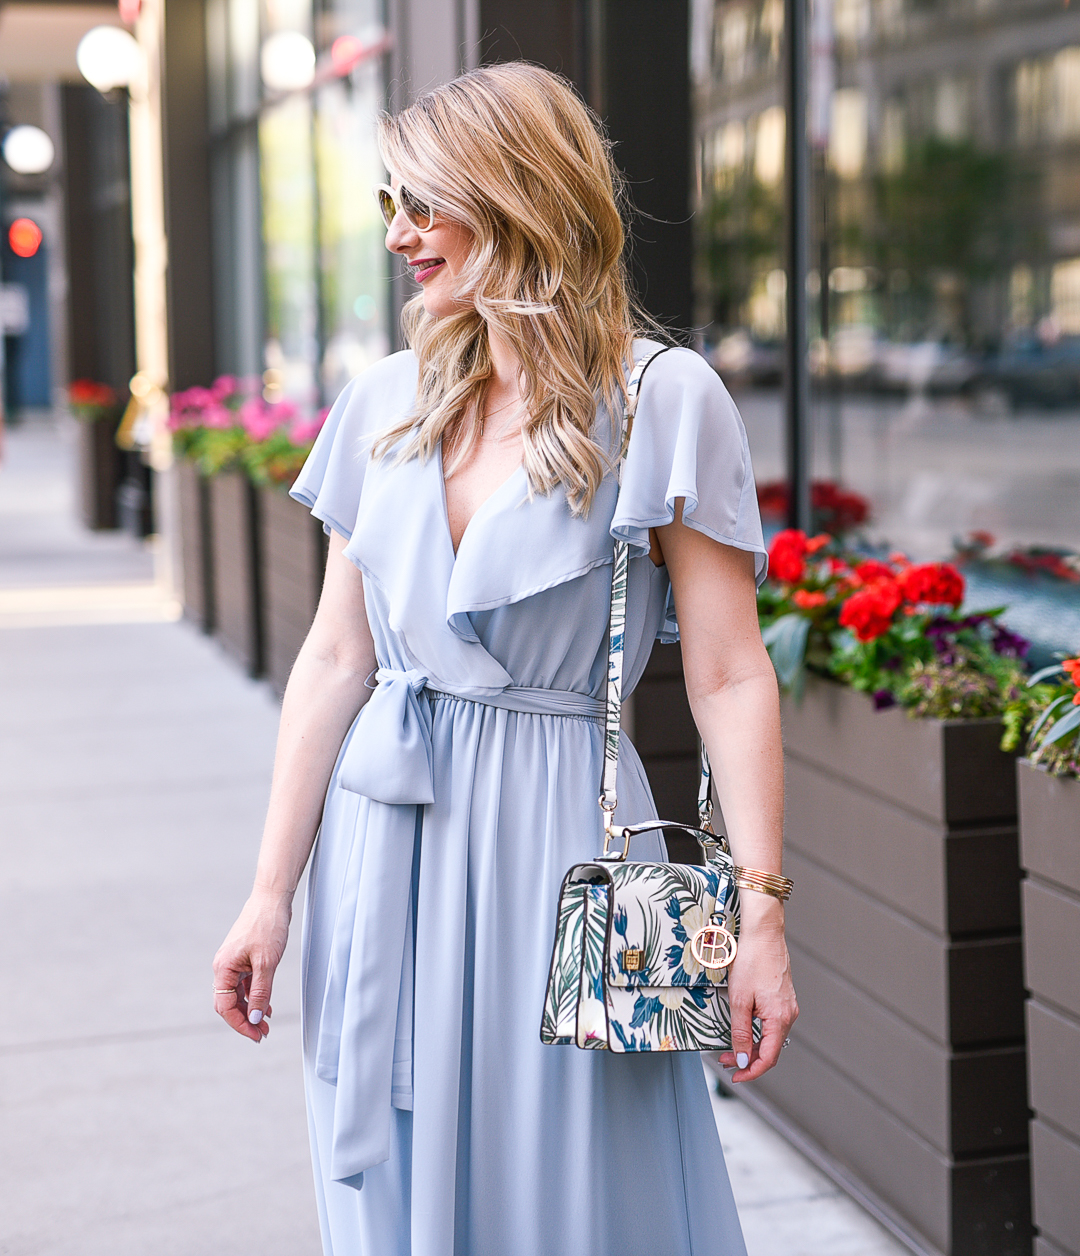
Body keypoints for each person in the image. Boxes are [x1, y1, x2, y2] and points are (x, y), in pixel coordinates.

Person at [213, 61, 798, 1256]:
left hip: (563, 846)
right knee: (392, 1173)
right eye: (389, 203)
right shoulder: (384, 399)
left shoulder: (661, 397)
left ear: (519, 195)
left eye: (423, 202)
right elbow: (334, 658)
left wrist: (762, 909)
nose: (399, 234)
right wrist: (269, 892)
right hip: (386, 845)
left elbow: (730, 671)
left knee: (578, 1193)